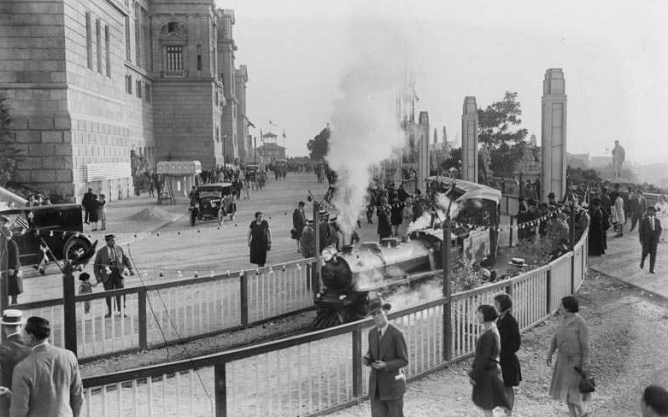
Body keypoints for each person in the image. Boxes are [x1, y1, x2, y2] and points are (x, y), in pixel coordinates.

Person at [9, 316, 83, 417]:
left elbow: (19, 410)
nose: (22, 336)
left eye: (24, 333)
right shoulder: (69, 356)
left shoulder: (22, 368)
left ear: (31, 337)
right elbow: (78, 396)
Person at [363, 298, 408, 417]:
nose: (376, 316)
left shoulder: (397, 334)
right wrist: (367, 359)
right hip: (376, 386)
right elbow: (371, 352)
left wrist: (386, 365)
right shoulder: (372, 333)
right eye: (373, 314)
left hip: (392, 386)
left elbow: (404, 360)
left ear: (386, 312)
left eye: (379, 312)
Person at [547, 296, 590, 417]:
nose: (559, 307)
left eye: (561, 305)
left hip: (576, 362)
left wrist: (585, 364)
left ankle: (582, 413)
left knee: (573, 390)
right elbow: (555, 338)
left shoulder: (580, 323)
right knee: (565, 390)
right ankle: (572, 414)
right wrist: (550, 353)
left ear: (568, 307)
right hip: (562, 361)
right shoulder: (562, 320)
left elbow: (585, 345)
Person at [468, 304, 510, 417]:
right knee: (489, 405)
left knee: (487, 406)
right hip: (492, 371)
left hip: (487, 374)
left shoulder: (488, 335)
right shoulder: (492, 329)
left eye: (480, 313)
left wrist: (474, 375)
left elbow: (483, 359)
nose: (477, 315)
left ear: (486, 315)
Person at [93, 234, 134, 318]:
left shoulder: (119, 248)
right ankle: (111, 311)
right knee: (109, 293)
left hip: (119, 273)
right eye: (112, 240)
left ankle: (122, 310)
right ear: (107, 241)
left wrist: (131, 269)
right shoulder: (100, 252)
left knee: (121, 292)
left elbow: (126, 259)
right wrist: (98, 277)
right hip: (107, 275)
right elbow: (96, 266)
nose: (114, 242)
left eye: (115, 240)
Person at [494, 294, 521, 416]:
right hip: (501, 357)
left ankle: (509, 412)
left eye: (497, 304)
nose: (495, 306)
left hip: (508, 359)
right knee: (503, 385)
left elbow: (516, 342)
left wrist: (506, 353)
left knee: (508, 386)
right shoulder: (500, 318)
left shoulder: (510, 320)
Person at [0, 310, 31, 416]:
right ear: (21, 325)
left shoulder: (2, 349)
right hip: (31, 400)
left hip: (8, 403)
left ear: (4, 328)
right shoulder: (32, 347)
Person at [1, 219, 23, 305]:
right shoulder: (3, 244)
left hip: (12, 269)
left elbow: (15, 256)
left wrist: (13, 268)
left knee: (14, 286)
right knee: (7, 286)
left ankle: (14, 301)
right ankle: (7, 302)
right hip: (6, 267)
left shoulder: (12, 244)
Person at [639, 206, 662, 274]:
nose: (651, 212)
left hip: (654, 241)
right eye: (650, 211)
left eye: (653, 211)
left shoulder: (657, 220)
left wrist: (657, 237)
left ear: (655, 212)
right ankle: (642, 261)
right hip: (646, 240)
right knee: (645, 253)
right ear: (648, 212)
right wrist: (641, 239)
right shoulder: (644, 220)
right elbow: (641, 231)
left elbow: (660, 229)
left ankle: (651, 269)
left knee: (653, 255)